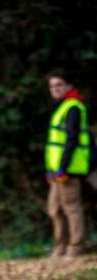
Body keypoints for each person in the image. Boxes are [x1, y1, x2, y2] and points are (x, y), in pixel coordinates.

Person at [45, 70, 91, 257]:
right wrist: (51, 169)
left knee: (71, 208)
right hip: (56, 170)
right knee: (54, 209)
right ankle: (60, 247)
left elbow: (72, 140)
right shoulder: (63, 107)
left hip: (68, 169)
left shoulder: (73, 107)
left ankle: (76, 247)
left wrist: (62, 167)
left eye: (58, 85)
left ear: (68, 86)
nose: (55, 89)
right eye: (52, 86)